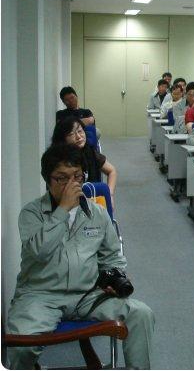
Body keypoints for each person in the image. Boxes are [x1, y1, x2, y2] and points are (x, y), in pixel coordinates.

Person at [6, 144, 154, 369]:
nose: (72, 184)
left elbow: (112, 256)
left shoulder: (97, 213)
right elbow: (39, 252)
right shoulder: (31, 213)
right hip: (41, 295)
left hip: (88, 294)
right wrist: (62, 210)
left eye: (77, 176)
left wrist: (113, 277)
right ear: (48, 179)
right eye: (62, 178)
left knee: (141, 314)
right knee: (22, 346)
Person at [51, 117, 117, 205]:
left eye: (80, 131)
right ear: (62, 139)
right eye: (71, 134)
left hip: (92, 200)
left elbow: (112, 171)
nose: (78, 137)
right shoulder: (59, 161)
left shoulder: (89, 151)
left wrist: (110, 195)